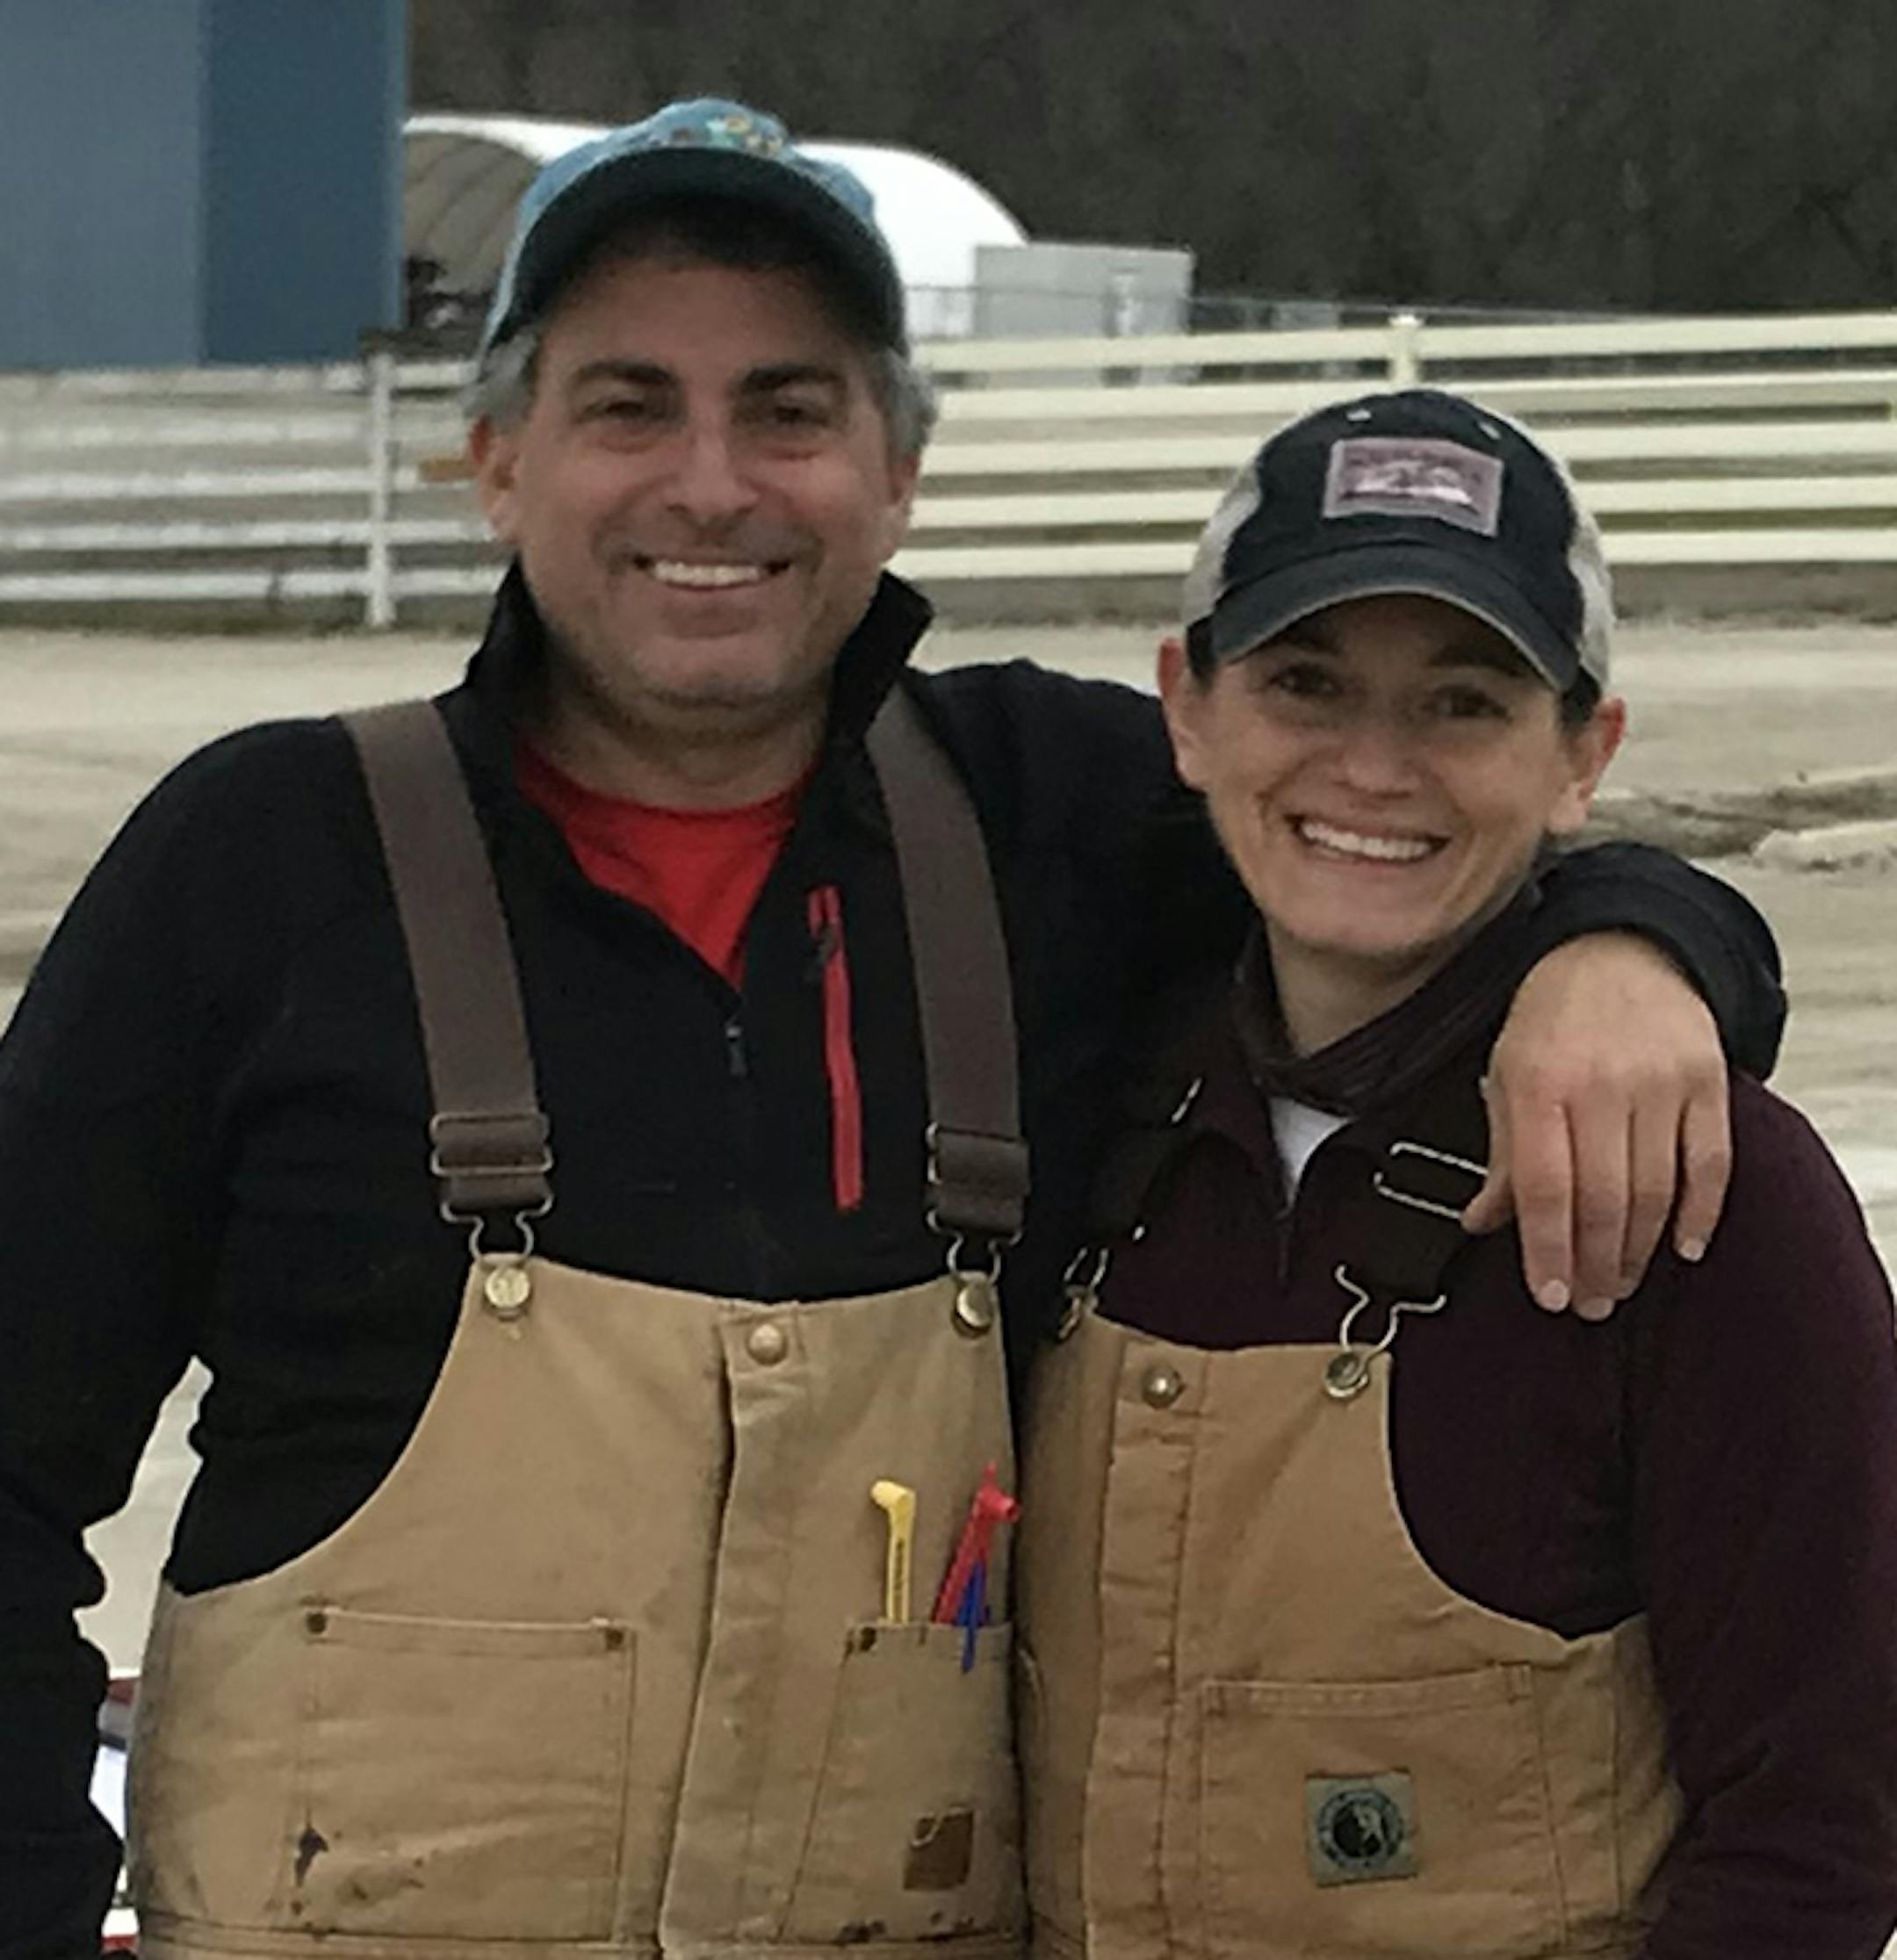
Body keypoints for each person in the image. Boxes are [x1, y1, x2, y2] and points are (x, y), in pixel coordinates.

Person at [0, 103, 1784, 1960]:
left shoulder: (1047, 823)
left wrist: (1635, 950)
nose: (713, 484)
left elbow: (1406, 827)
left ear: (897, 474)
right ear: (498, 459)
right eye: (628, 406)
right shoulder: (266, 864)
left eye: (790, 409)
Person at [1013, 390, 1897, 1958]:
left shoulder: (1713, 1198)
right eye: (1304, 681)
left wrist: (1646, 938)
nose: (1373, 766)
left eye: (1466, 703)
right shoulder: (1073, 1095)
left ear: (1585, 755)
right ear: (1188, 707)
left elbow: (1816, 1838)